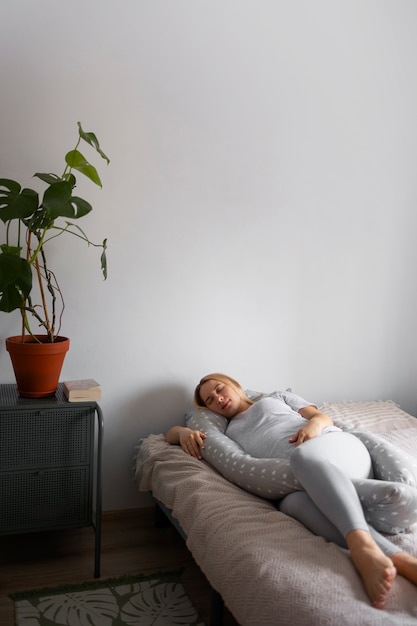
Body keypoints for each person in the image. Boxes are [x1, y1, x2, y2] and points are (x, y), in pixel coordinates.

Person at [166, 373, 417, 610]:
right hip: (304, 480)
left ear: (234, 385)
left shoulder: (275, 397)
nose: (218, 399)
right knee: (292, 504)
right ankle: (399, 560)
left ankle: (362, 547)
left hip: (334, 448)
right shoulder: (225, 431)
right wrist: (183, 432)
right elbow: (171, 435)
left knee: (302, 458)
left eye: (219, 389)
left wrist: (314, 427)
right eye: (210, 400)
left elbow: (321, 417)